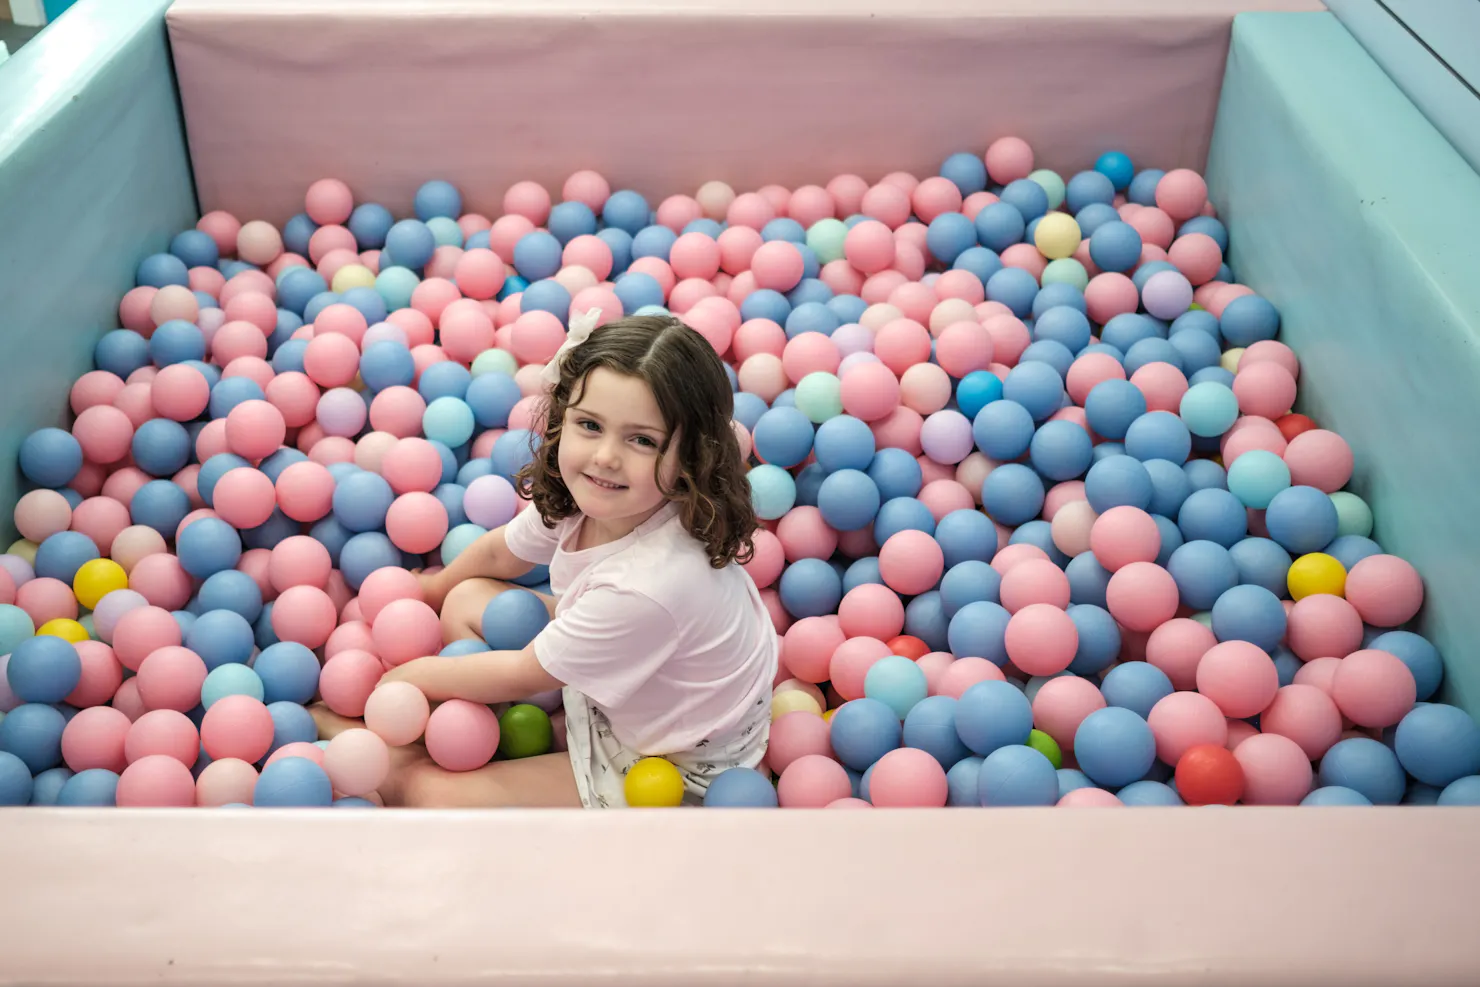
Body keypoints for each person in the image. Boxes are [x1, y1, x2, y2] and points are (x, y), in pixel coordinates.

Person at [313, 310, 777, 808]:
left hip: (668, 764)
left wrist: (404, 678)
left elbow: (523, 672)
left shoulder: (649, 585)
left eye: (642, 440)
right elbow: (501, 552)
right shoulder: (594, 496)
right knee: (467, 597)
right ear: (562, 419)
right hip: (636, 676)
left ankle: (340, 727)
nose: (605, 457)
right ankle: (497, 736)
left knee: (425, 790)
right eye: (590, 425)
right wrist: (432, 587)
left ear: (692, 458)